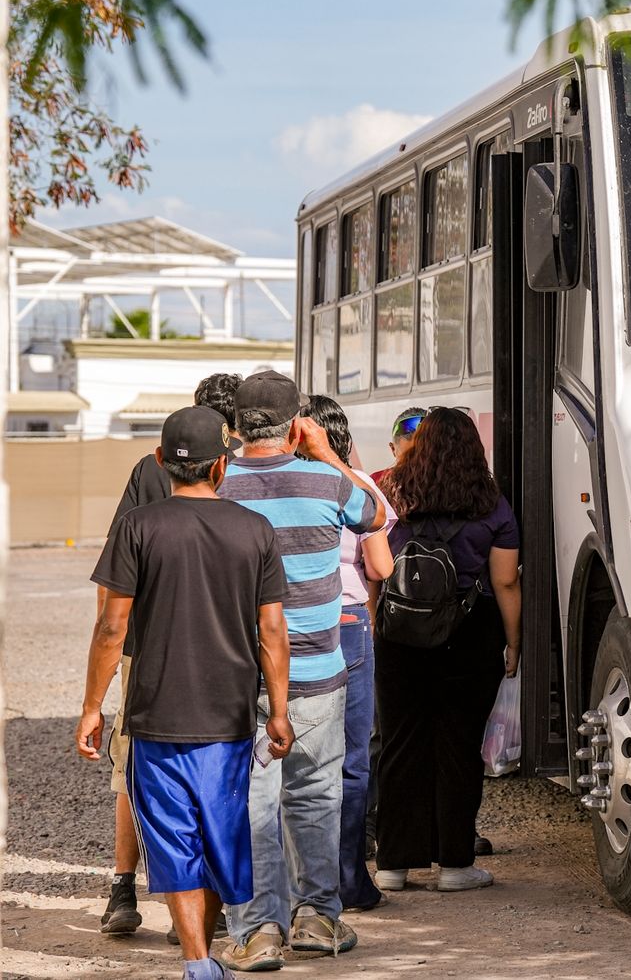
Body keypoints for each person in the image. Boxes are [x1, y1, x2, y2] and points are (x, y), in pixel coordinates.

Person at [77, 405, 294, 980]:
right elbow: (271, 630)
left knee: (172, 837)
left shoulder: (137, 527)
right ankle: (202, 955)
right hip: (228, 714)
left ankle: (198, 962)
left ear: (159, 462)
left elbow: (111, 627)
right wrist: (280, 711)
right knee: (222, 832)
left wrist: (93, 706)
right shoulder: (255, 529)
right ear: (222, 465)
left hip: (154, 710)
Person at [215, 371, 384, 972]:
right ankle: (319, 919)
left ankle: (258, 931)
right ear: (295, 424)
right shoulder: (325, 482)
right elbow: (376, 515)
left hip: (239, 676)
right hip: (318, 672)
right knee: (315, 795)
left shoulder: (220, 483)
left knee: (252, 803)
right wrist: (327, 453)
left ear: (235, 425)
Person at [99, 372, 241, 939]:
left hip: (148, 648)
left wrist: (111, 649)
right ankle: (211, 909)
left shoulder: (149, 469)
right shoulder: (239, 469)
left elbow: (114, 582)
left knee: (132, 765)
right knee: (217, 776)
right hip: (228, 650)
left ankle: (122, 889)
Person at [374, 407, 520, 892]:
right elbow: (505, 581)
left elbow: (376, 568)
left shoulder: (393, 494)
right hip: (470, 629)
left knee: (400, 744)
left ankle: (393, 865)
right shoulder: (491, 502)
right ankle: (455, 865)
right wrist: (514, 644)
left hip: (400, 631)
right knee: (459, 747)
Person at [299, 395, 395, 913]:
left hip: (285, 627)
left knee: (291, 756)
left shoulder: (276, 482)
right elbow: (380, 569)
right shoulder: (361, 489)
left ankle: (298, 884)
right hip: (349, 624)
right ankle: (349, 879)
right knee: (352, 763)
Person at [369, 406, 425, 485]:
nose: (414, 467)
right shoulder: (375, 482)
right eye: (407, 459)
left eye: (423, 455)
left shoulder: (376, 482)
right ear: (392, 449)